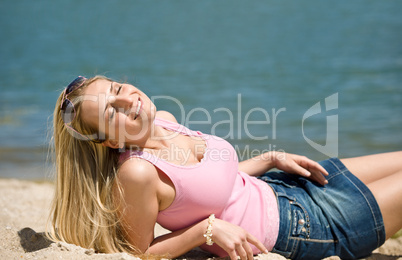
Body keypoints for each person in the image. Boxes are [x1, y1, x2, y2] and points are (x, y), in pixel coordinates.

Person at [48, 75, 402, 260]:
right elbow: (140, 252)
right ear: (109, 141)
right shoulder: (138, 173)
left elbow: (216, 183)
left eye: (118, 88)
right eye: (113, 111)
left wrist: (270, 159)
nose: (129, 98)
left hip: (287, 185)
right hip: (304, 228)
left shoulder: (167, 122)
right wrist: (206, 231)